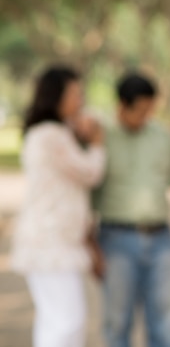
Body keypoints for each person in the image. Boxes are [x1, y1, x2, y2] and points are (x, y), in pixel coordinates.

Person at [92, 71, 170, 347]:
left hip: (161, 239)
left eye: (150, 110)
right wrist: (92, 247)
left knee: (164, 323)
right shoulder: (101, 138)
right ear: (121, 106)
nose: (146, 116)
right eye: (140, 110)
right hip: (116, 239)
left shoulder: (162, 136)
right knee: (117, 323)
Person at [10, 65, 105, 347]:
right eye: (75, 94)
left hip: (54, 241)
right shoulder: (50, 135)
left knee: (58, 321)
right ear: (56, 97)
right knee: (66, 323)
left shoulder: (53, 132)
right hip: (50, 243)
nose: (81, 101)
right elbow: (90, 172)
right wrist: (98, 144)